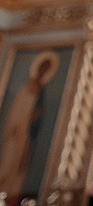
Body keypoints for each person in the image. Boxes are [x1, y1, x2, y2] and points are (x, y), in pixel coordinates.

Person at [0, 52, 57, 200]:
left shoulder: (42, 90)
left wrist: (35, 115)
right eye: (43, 67)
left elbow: (39, 112)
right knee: (9, 161)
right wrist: (15, 125)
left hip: (27, 134)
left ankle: (12, 196)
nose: (43, 70)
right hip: (16, 130)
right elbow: (16, 108)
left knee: (20, 166)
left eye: (47, 68)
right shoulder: (26, 86)